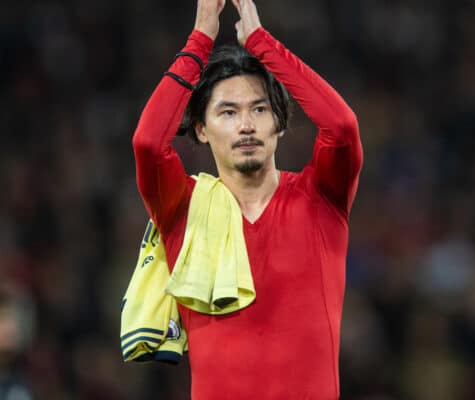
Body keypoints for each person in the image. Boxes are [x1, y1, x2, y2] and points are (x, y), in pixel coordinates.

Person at [131, 0, 362, 398]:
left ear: (280, 124)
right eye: (228, 112)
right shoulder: (183, 208)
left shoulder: (320, 198)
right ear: (202, 129)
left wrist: (261, 43)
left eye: (259, 109)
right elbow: (149, 144)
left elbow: (341, 127)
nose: (246, 125)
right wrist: (201, 37)